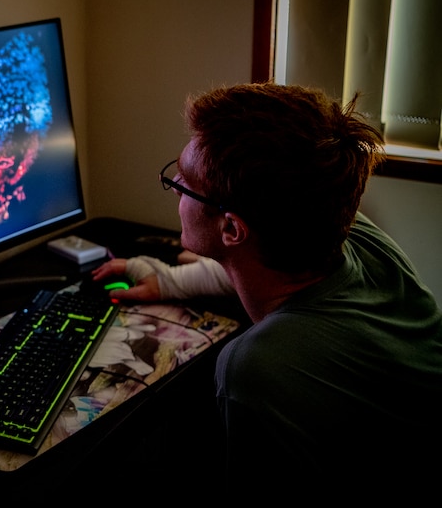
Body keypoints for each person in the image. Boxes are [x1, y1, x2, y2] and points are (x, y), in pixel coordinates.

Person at [92, 82, 442, 499]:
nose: (177, 185)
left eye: (184, 182)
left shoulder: (256, 367)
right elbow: (256, 265)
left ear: (232, 229)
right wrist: (171, 280)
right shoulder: (349, 230)